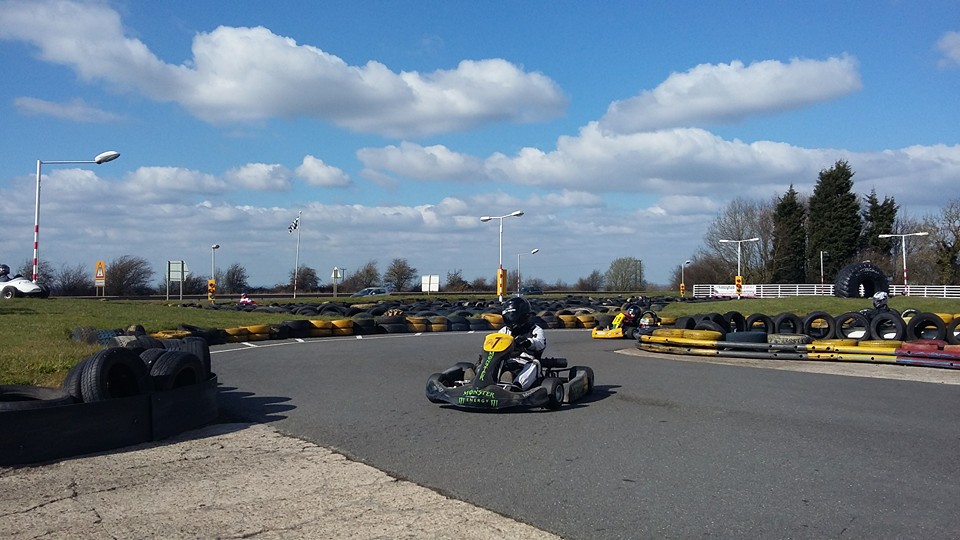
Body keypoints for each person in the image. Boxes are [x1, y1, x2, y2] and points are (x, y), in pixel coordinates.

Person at [497, 296, 546, 390]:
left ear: (523, 316)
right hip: (507, 361)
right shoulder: (504, 331)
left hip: (525, 362)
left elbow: (540, 344)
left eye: (513, 316)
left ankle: (516, 387)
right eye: (508, 317)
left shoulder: (535, 329)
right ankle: (479, 380)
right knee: (494, 362)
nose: (510, 319)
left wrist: (527, 342)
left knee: (535, 364)